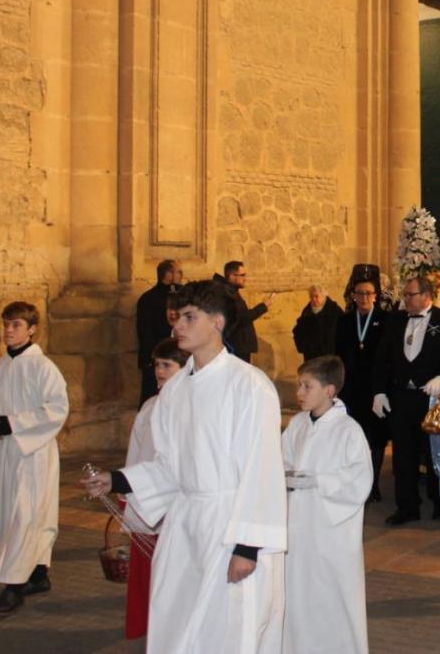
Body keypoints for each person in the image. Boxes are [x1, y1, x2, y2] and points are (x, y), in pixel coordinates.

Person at [81, 279, 287, 653]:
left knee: (226, 632)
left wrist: (248, 547)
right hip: (184, 527)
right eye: (177, 317)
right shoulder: (175, 391)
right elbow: (167, 466)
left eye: (190, 317)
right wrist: (116, 480)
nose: (177, 325)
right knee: (177, 626)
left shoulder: (249, 386)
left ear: (218, 322)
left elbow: (262, 469)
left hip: (230, 529)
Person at [0, 301, 69, 614]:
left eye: (16, 325)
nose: (9, 331)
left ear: (32, 329)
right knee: (14, 516)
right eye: (6, 324)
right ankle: (39, 574)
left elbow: (57, 409)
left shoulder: (43, 368)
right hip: (6, 453)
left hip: (35, 453)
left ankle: (13, 586)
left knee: (26, 515)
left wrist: (14, 423)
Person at [282, 355, 372, 654]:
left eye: (307, 386)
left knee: (331, 595)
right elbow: (280, 459)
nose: (299, 393)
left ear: (330, 390)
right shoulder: (296, 424)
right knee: (297, 593)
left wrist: (318, 480)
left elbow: (359, 480)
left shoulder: (349, 430)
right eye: (299, 385)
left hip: (330, 530)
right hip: (297, 525)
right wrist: (286, 476)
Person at [372, 274, 440, 525]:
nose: (406, 299)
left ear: (426, 296)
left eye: (410, 294)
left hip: (431, 397)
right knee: (403, 453)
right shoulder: (395, 321)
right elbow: (382, 359)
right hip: (402, 397)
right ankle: (407, 506)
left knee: (435, 451)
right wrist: (379, 391)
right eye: (405, 294)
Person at [123, 337, 188, 640]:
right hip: (146, 499)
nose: (160, 371)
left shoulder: (190, 407)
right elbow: (137, 452)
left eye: (167, 365)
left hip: (175, 503)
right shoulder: (150, 406)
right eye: (157, 365)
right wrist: (128, 493)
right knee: (147, 575)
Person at [334, 264, 390, 502]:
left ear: (375, 296)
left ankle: (374, 483)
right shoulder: (345, 321)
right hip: (350, 388)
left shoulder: (386, 320)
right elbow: (337, 353)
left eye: (368, 293)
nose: (364, 298)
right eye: (360, 294)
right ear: (353, 296)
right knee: (351, 436)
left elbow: (389, 356)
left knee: (376, 438)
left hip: (375, 389)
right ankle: (353, 480)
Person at [135, 260, 180, 405]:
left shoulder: (177, 295)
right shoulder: (150, 299)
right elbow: (144, 333)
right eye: (178, 272)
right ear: (168, 274)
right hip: (155, 359)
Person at [215, 260, 275, 362]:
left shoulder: (231, 292)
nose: (245, 279)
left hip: (239, 346)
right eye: (242, 275)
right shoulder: (227, 294)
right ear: (232, 276)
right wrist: (263, 306)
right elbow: (242, 318)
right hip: (237, 346)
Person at [292, 285, 343, 361]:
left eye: (316, 296)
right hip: (311, 358)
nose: (313, 299)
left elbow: (343, 331)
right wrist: (305, 347)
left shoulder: (334, 311)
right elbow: (298, 331)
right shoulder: (307, 312)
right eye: (311, 297)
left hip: (330, 357)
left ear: (324, 296)